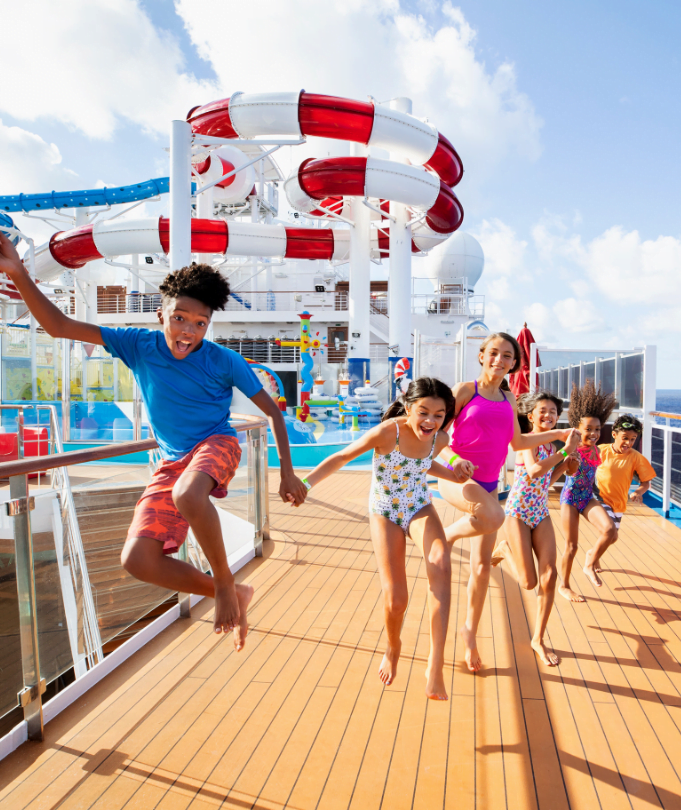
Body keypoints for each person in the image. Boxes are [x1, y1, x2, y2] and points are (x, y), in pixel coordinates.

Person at [0, 231, 307, 651]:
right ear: (161, 313)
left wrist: (287, 474)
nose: (188, 331)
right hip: (172, 460)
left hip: (217, 443)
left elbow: (272, 411)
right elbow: (59, 327)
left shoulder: (223, 360)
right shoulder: (137, 344)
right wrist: (17, 273)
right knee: (138, 560)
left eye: (200, 324)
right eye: (180, 318)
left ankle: (223, 587)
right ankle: (235, 592)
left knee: (188, 494)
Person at [298, 377, 475, 700]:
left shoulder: (440, 437)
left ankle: (435, 663)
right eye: (423, 412)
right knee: (396, 600)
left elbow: (430, 460)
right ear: (408, 407)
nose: (430, 421)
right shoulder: (387, 433)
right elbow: (342, 457)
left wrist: (456, 469)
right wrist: (305, 485)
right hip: (384, 511)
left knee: (441, 562)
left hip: (418, 505)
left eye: (438, 415)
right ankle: (393, 647)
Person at [437, 332, 579, 672]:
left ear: (514, 363)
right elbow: (438, 436)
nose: (499, 360)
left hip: (487, 486)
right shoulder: (464, 391)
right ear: (482, 355)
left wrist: (558, 435)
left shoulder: (509, 398)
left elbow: (518, 442)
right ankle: (446, 536)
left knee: (482, 568)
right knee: (495, 515)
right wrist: (453, 459)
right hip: (456, 478)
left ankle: (469, 634)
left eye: (507, 356)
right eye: (494, 353)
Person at [491, 391, 580, 666]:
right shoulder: (527, 442)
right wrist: (565, 450)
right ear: (531, 416)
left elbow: (548, 477)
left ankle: (538, 639)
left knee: (549, 575)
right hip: (518, 511)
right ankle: (505, 548)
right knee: (528, 582)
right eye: (543, 411)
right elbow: (533, 471)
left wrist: (567, 465)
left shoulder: (553, 447)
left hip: (540, 512)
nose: (549, 416)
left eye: (553, 412)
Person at [559, 380, 616, 601]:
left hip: (587, 497)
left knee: (610, 530)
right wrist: (570, 462)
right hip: (570, 499)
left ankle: (589, 563)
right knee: (571, 546)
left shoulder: (596, 449)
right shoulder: (573, 449)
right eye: (588, 429)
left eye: (597, 429)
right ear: (577, 429)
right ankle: (564, 585)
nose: (593, 433)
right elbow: (568, 471)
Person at [585, 414, 656, 578]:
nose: (628, 443)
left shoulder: (635, 457)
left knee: (613, 537)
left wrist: (638, 492)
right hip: (599, 499)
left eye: (633, 439)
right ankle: (590, 563)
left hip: (619, 503)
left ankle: (592, 554)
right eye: (625, 438)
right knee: (609, 531)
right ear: (614, 434)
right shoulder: (601, 450)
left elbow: (646, 482)